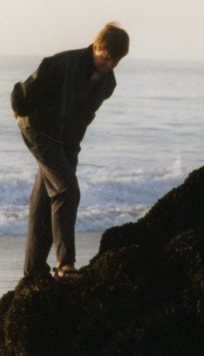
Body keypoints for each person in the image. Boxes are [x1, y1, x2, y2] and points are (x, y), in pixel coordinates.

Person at [11, 22, 129, 279]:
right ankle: (65, 265)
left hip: (67, 143)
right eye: (107, 58)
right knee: (67, 190)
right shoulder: (63, 64)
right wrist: (19, 108)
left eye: (116, 61)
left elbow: (83, 117)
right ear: (96, 46)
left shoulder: (108, 83)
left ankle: (33, 272)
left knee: (43, 204)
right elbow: (22, 91)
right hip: (39, 132)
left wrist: (72, 150)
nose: (110, 65)